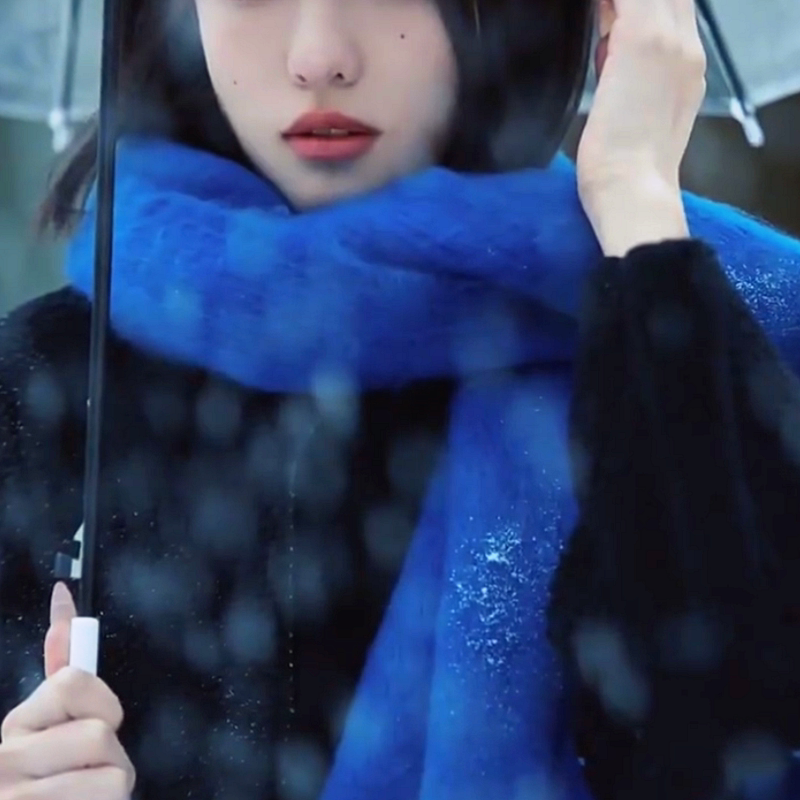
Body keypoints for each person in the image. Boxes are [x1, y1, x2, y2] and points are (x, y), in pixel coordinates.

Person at [1, 0, 800, 799]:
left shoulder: (697, 342)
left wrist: (635, 203)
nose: (319, 57)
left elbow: (736, 744)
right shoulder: (47, 386)